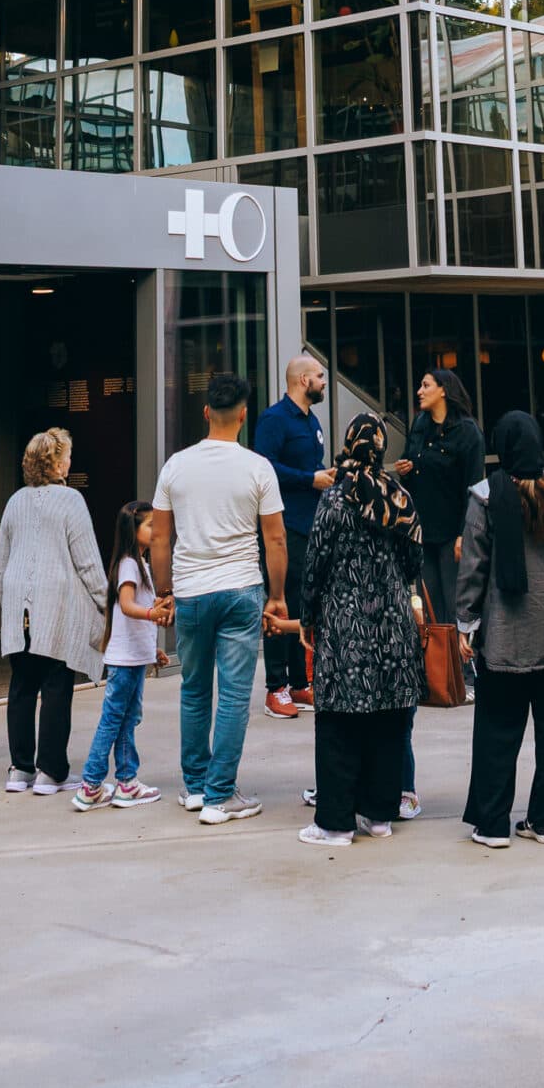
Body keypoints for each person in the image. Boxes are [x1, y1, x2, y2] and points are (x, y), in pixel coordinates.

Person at [456, 411, 544, 847]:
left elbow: (473, 569)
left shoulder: (484, 496)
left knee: (498, 731)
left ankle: (493, 824)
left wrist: (466, 623)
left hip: (506, 637)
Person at [150, 372, 286, 824]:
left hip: (190, 591)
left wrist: (165, 592)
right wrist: (278, 596)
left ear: (206, 412)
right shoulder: (257, 467)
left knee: (193, 690)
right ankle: (219, 795)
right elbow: (276, 539)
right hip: (240, 589)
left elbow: (159, 540)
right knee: (232, 695)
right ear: (244, 416)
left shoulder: (175, 465)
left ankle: (195, 787)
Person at [292, 413, 425, 846]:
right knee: (387, 719)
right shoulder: (398, 496)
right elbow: (414, 561)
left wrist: (307, 618)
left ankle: (334, 824)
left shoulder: (334, 500)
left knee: (339, 724)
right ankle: (379, 815)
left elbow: (314, 565)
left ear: (349, 445)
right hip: (392, 625)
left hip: (345, 627)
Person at [0, 426, 108, 796]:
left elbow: (1, 563)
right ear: (58, 463)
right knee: (57, 684)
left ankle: (19, 769)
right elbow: (88, 562)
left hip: (18, 604)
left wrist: (8, 603)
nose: (70, 461)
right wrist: (107, 603)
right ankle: (51, 771)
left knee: (22, 685)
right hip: (56, 604)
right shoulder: (72, 501)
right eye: (68, 455)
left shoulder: (14, 502)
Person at [74, 500, 171, 811]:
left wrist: (151, 650)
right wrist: (152, 613)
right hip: (124, 662)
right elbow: (128, 606)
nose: (156, 531)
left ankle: (126, 783)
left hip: (133, 659)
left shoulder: (139, 563)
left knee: (126, 720)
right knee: (114, 720)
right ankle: (91, 784)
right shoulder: (129, 564)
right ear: (133, 531)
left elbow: (130, 619)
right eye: (150, 526)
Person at [252, 354, 333, 718]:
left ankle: (300, 683)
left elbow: (307, 469)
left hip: (310, 522)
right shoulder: (274, 419)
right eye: (319, 376)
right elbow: (263, 466)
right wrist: (309, 479)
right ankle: (276, 687)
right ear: (303, 381)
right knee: (280, 598)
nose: (323, 381)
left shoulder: (311, 420)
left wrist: (323, 475)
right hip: (281, 525)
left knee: (304, 601)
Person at [396, 366, 486, 626]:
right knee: (430, 605)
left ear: (443, 390)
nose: (419, 391)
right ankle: (438, 665)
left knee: (455, 602)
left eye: (426, 385)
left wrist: (463, 534)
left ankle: (462, 665)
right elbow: (413, 466)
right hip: (423, 532)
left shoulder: (468, 432)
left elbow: (474, 488)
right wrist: (406, 469)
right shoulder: (420, 425)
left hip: (452, 535)